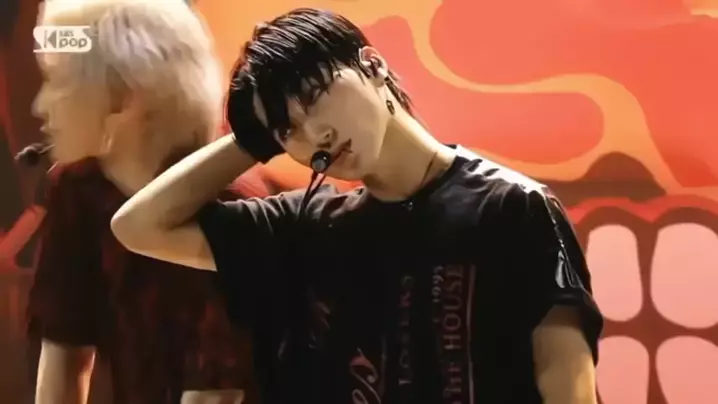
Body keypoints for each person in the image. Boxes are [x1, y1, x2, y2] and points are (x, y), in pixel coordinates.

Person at [111, 7, 603, 404]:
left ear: (372, 65)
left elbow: (566, 380)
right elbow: (139, 226)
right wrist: (251, 138)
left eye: (315, 95)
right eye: (288, 129)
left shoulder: (513, 207)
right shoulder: (304, 227)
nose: (315, 134)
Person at [28, 1, 260, 403]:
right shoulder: (80, 191)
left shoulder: (230, 209)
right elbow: (63, 357)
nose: (40, 106)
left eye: (59, 82)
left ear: (124, 99)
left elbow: (217, 393)